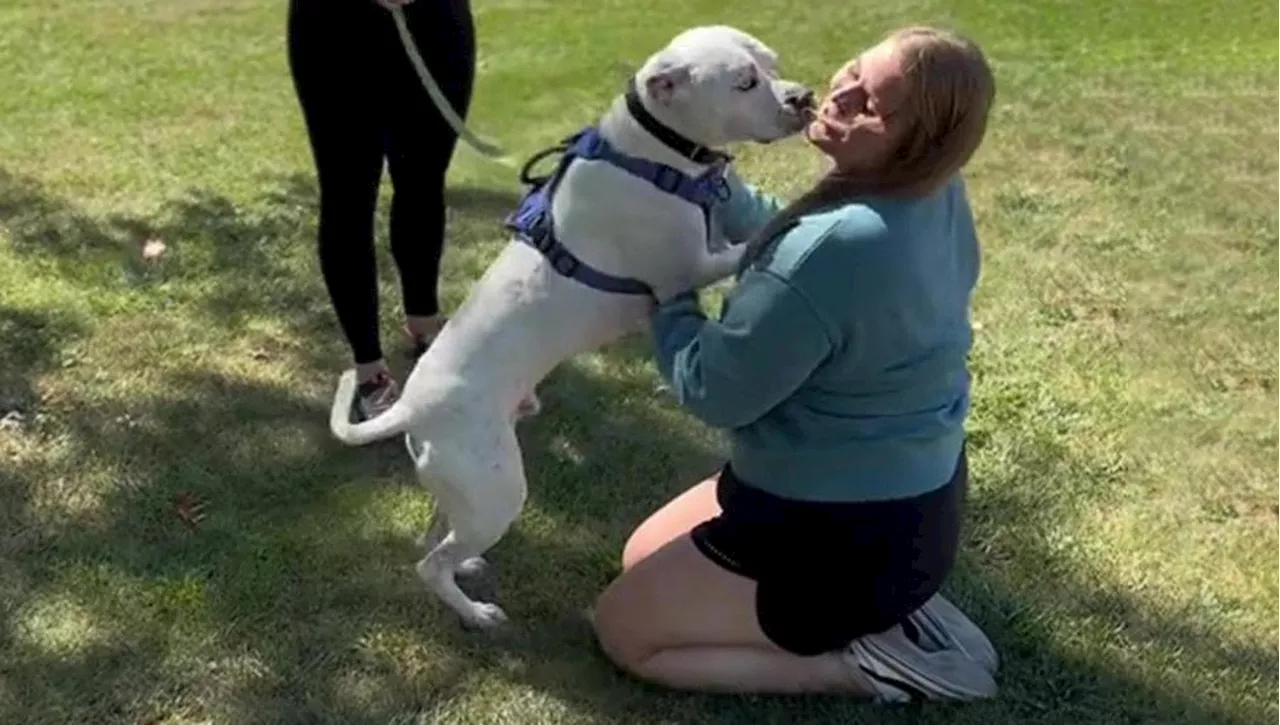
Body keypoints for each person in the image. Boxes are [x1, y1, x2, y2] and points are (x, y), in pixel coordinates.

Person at [590, 26, 1001, 702]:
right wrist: (703, 185)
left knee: (625, 630)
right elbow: (790, 236)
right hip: (906, 501)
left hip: (838, 530)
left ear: (914, 143)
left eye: (870, 103)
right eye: (854, 72)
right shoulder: (932, 192)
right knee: (641, 557)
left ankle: (868, 666)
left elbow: (712, 389)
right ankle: (892, 603)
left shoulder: (835, 248)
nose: (839, 92)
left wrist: (666, 284)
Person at [286, 0, 475, 420]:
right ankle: (369, 368)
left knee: (424, 180)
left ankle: (425, 323)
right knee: (347, 196)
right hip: (333, 32)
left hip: (435, 24)